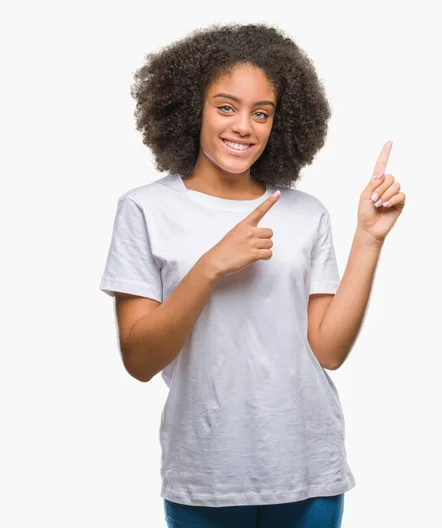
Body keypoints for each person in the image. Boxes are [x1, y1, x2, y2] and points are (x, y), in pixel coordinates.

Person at [99, 23, 406, 528]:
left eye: (261, 113)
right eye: (226, 106)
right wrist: (211, 266)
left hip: (309, 467)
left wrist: (369, 238)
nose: (244, 126)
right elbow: (139, 359)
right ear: (189, 107)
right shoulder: (145, 209)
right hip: (206, 472)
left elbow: (328, 350)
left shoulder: (306, 213)